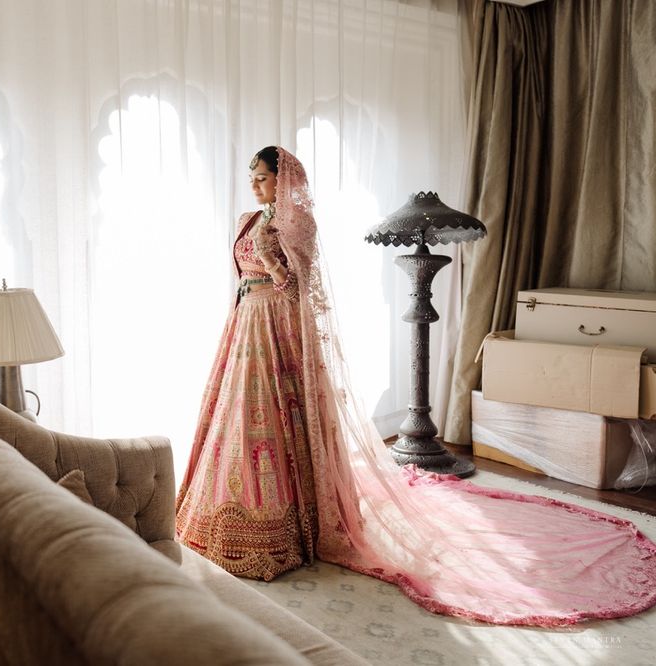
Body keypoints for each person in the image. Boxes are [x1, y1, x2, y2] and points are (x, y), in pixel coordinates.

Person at [175, 145, 656, 626]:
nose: (255, 185)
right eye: (252, 178)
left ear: (283, 182)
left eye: (262, 178)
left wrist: (273, 259)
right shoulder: (247, 219)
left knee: (277, 423)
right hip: (245, 325)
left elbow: (300, 289)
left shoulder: (296, 224)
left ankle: (288, 526)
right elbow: (240, 277)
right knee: (236, 421)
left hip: (277, 327)